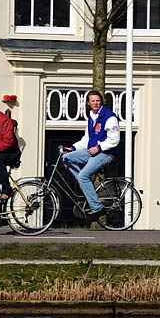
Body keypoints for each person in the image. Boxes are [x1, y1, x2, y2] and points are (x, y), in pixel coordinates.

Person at [62, 90, 120, 222]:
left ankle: (97, 208)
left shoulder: (109, 117)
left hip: (106, 153)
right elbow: (87, 139)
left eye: (98, 100)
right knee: (66, 158)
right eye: (92, 101)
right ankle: (85, 185)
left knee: (83, 176)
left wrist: (99, 147)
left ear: (101, 102)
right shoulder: (91, 117)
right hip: (92, 151)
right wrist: (73, 148)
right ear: (88, 103)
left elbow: (114, 139)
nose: (95, 103)